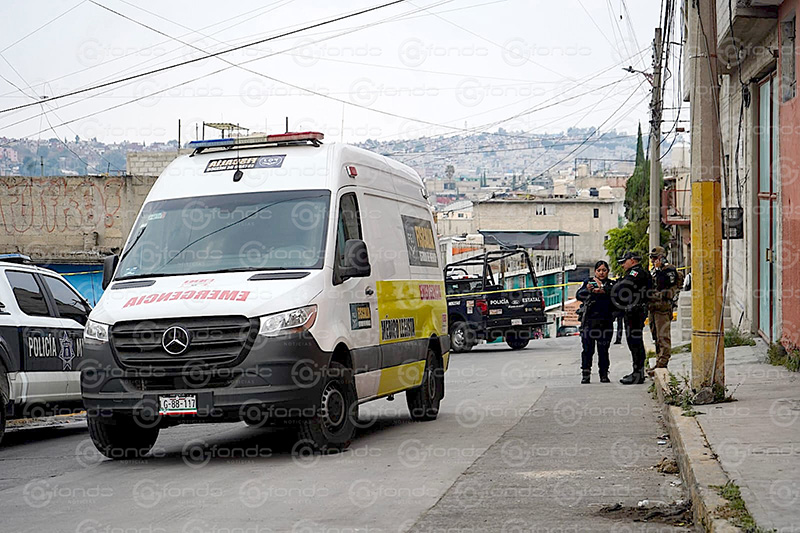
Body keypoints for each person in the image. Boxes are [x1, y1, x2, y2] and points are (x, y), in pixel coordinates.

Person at [611, 251, 653, 385]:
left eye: (624, 261)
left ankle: (638, 374)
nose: (623, 264)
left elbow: (623, 287)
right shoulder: (634, 273)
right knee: (633, 342)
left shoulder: (636, 273)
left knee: (635, 342)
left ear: (633, 260)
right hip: (633, 311)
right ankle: (637, 372)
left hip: (635, 311)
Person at [576, 260, 616, 384]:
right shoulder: (589, 282)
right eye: (599, 270)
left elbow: (615, 295)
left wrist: (603, 290)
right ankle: (586, 374)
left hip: (605, 322)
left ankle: (604, 374)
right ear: (595, 272)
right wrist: (589, 290)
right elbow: (579, 295)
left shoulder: (611, 284)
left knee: (603, 350)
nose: (601, 273)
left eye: (604, 270)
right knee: (587, 350)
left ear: (608, 272)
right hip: (589, 322)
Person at [646, 246, 680, 375]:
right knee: (656, 337)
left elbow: (662, 284)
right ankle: (658, 361)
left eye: (655, 258)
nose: (652, 260)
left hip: (663, 308)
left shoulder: (668, 270)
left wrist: (659, 269)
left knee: (663, 337)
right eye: (652, 258)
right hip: (654, 308)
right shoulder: (655, 270)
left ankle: (662, 364)